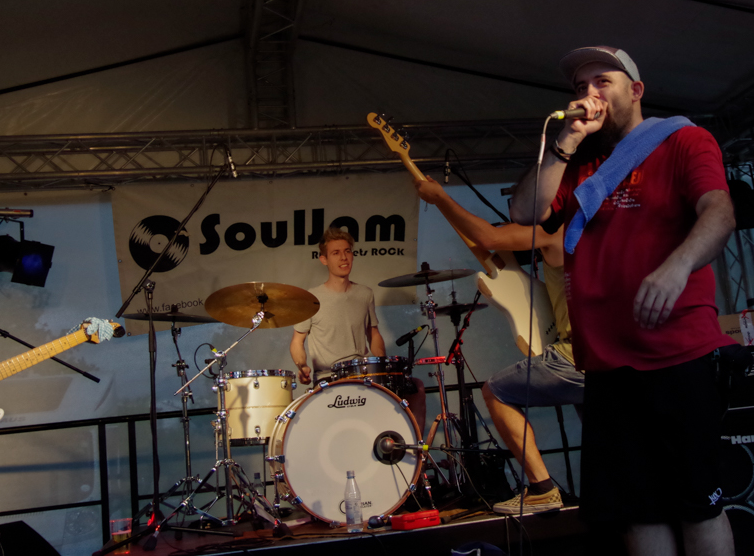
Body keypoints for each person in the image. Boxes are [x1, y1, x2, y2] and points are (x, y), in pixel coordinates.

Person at [510, 46, 737, 555]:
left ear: (635, 91)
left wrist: (678, 264)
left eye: (602, 81)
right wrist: (566, 141)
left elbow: (720, 212)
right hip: (606, 366)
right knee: (636, 513)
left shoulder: (682, 140)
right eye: (580, 86)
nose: (588, 94)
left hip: (675, 354)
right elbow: (525, 212)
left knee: (697, 504)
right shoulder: (577, 161)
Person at [414, 177, 582, 514]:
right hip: (611, 355)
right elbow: (497, 241)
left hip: (575, 356)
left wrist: (441, 198)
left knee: (495, 390)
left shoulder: (553, 231)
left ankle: (542, 488)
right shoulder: (595, 227)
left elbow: (488, 237)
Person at [290, 227, 426, 434]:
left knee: (416, 387)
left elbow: (373, 334)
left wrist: (382, 367)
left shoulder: (365, 294)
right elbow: (297, 342)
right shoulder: (311, 299)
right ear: (324, 259)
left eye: (347, 251)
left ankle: (411, 448)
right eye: (336, 253)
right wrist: (302, 366)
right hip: (329, 377)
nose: (344, 258)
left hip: (362, 374)